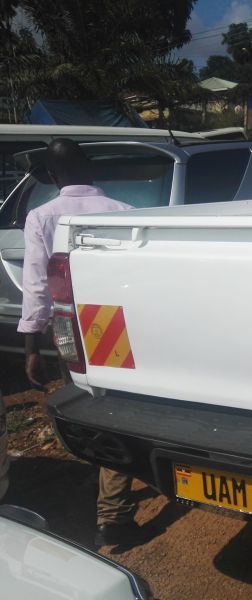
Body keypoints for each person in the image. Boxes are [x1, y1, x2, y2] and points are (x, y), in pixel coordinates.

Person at [17, 138, 140, 548]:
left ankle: (111, 505)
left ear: (53, 178)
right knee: (117, 405)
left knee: (85, 404)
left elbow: (36, 285)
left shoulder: (41, 216)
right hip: (118, 323)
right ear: (91, 170)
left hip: (69, 328)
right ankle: (113, 506)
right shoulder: (126, 212)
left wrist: (32, 348)